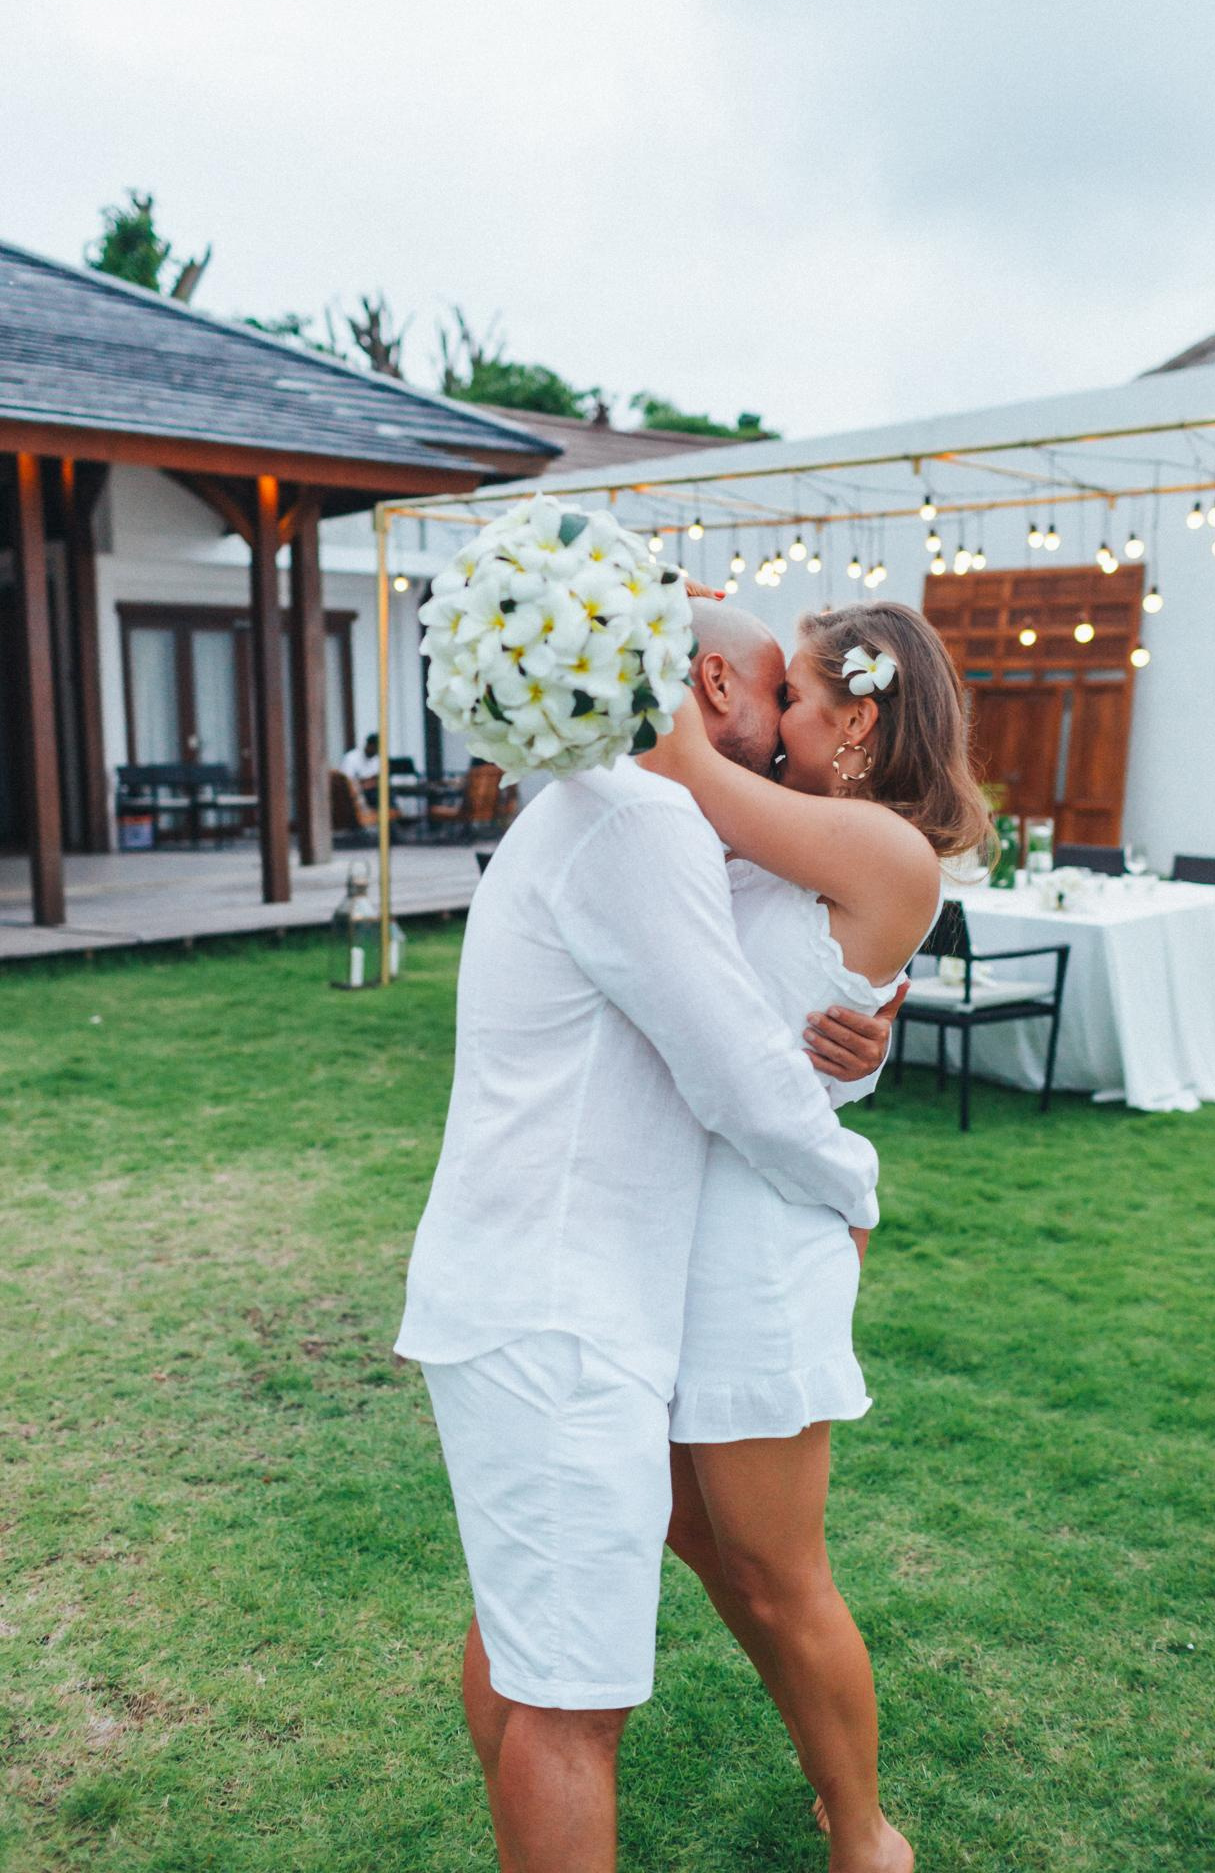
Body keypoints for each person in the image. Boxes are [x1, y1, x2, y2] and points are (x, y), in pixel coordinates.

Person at [392, 601, 899, 1873]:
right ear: (713, 679)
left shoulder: (611, 807)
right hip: (560, 1306)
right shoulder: (640, 816)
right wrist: (852, 1182)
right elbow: (733, 1068)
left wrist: (853, 1038)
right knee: (567, 1700)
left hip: (564, 1290)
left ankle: (856, 1826)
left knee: (538, 1658)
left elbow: (757, 1000)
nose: (780, 734)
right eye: (771, 692)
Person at [643, 597, 994, 1873]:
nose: (759, 710)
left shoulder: (889, 856)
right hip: (671, 1231)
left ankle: (863, 1832)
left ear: (853, 718)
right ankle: (826, 1761)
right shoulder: (774, 841)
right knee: (698, 1536)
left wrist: (620, 656)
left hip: (754, 1253)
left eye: (782, 692)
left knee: (780, 1574)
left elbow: (676, 755)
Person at [340, 731, 380, 802]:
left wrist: (366, 783)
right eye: (375, 748)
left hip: (371, 792)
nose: (376, 751)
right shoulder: (351, 757)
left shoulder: (377, 759)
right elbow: (348, 781)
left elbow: (377, 780)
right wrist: (366, 783)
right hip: (354, 792)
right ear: (369, 745)